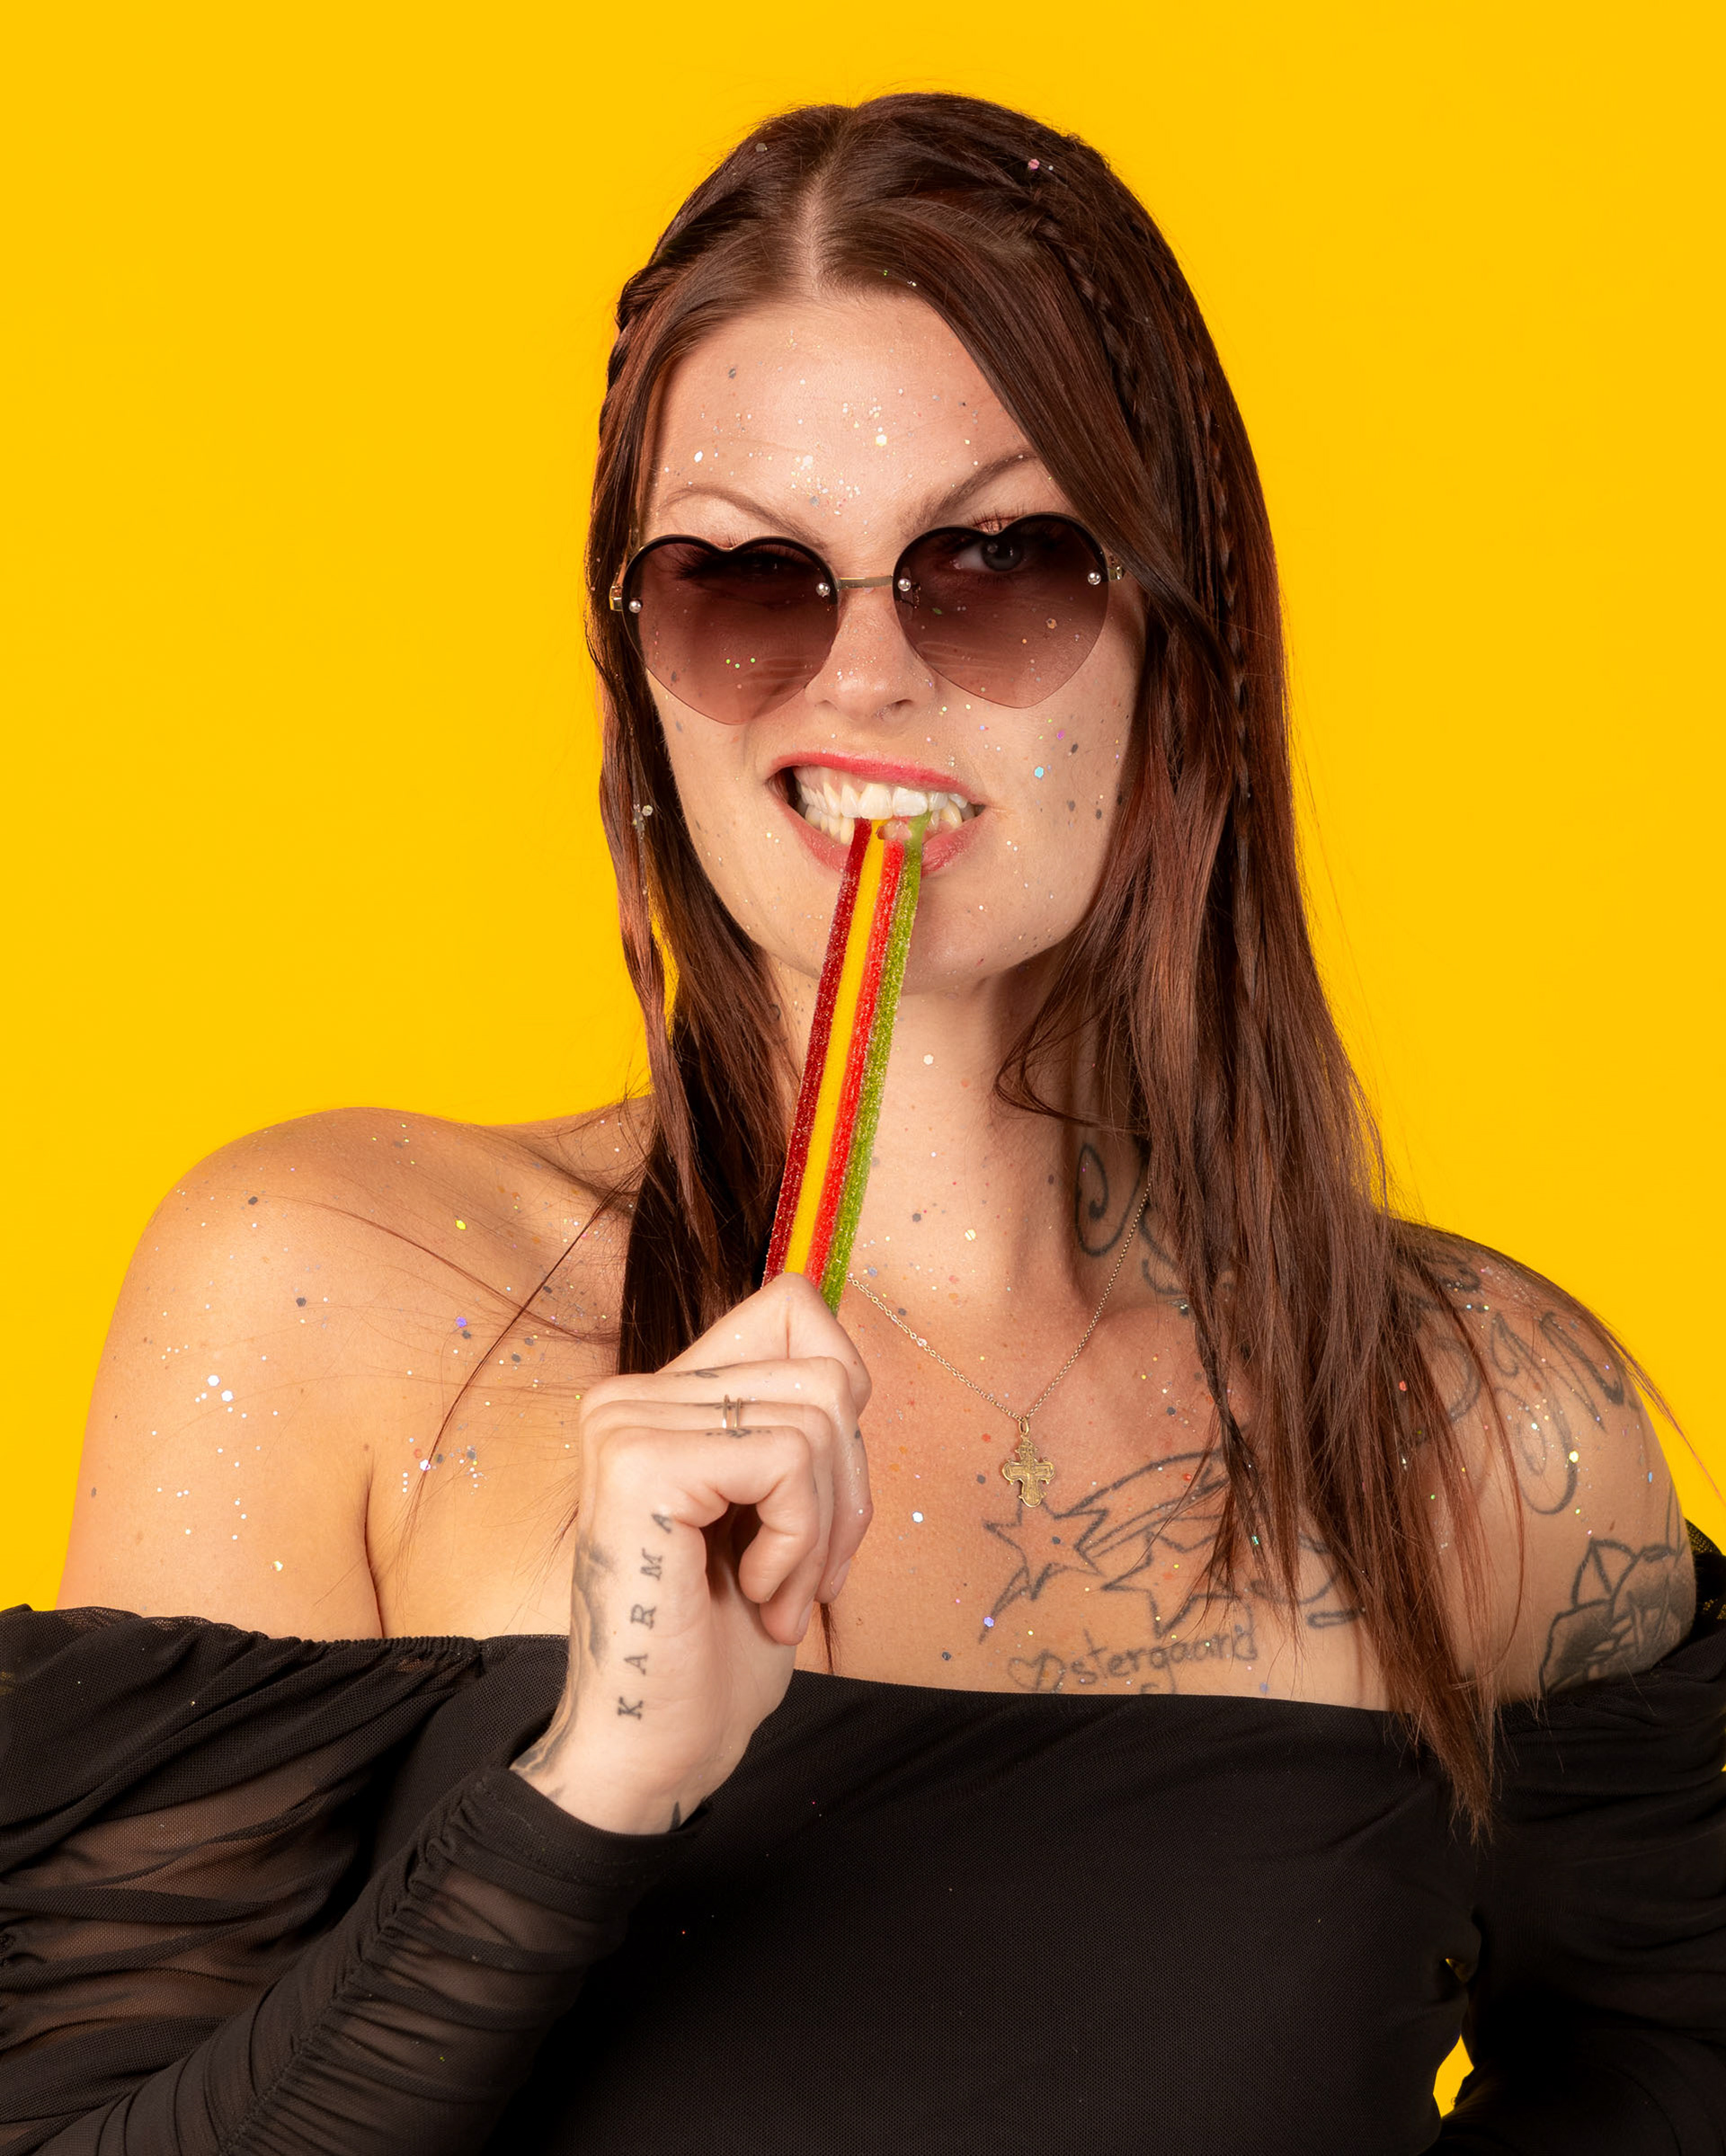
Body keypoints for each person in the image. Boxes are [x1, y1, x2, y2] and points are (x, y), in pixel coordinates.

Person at [3, 90, 1722, 2156]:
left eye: (994, 566)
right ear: (643, 674)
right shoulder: (322, 1298)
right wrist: (591, 1789)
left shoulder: (1489, 1427)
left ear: (1184, 652)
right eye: (743, 582)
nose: (865, 678)